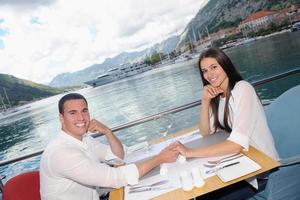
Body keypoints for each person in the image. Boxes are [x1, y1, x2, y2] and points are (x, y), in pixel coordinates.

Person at [172, 48, 279, 199]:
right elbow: (206, 133)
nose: (209, 75)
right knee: (201, 193)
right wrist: (205, 101)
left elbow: (236, 145)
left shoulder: (242, 89)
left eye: (214, 67)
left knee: (205, 196)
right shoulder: (218, 96)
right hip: (241, 162)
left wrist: (190, 152)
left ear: (225, 65)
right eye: (204, 71)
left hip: (261, 170)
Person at [40, 93, 179, 200]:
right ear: (61, 118)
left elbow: (118, 157)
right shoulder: (61, 153)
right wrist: (159, 159)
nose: (81, 118)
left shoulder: (84, 140)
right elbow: (115, 178)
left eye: (84, 111)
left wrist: (107, 131)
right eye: (73, 113)